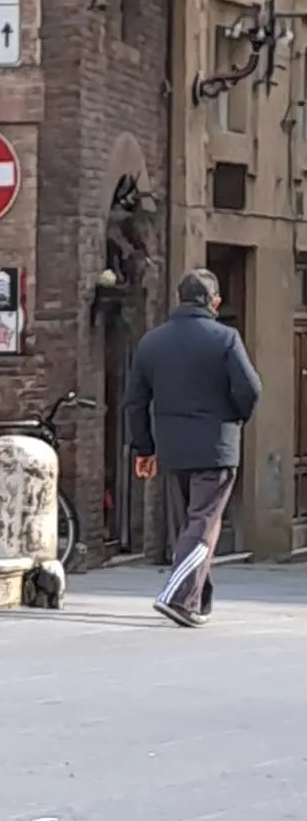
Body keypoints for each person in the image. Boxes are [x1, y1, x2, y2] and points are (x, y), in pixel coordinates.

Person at [125, 268, 262, 626]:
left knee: (189, 522)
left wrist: (144, 448)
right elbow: (250, 389)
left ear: (178, 299)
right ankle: (178, 597)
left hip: (172, 448)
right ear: (215, 302)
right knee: (203, 521)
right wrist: (234, 419)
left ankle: (197, 597)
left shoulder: (152, 342)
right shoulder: (226, 338)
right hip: (216, 446)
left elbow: (135, 402)